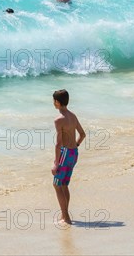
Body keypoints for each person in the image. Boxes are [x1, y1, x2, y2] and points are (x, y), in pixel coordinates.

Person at [51, 89, 86, 225]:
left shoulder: (59, 120)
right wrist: (75, 145)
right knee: (64, 185)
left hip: (65, 153)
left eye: (54, 101)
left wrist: (56, 163)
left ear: (57, 102)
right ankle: (64, 215)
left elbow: (59, 143)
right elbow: (82, 134)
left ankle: (66, 217)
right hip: (73, 153)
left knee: (56, 185)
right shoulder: (73, 116)